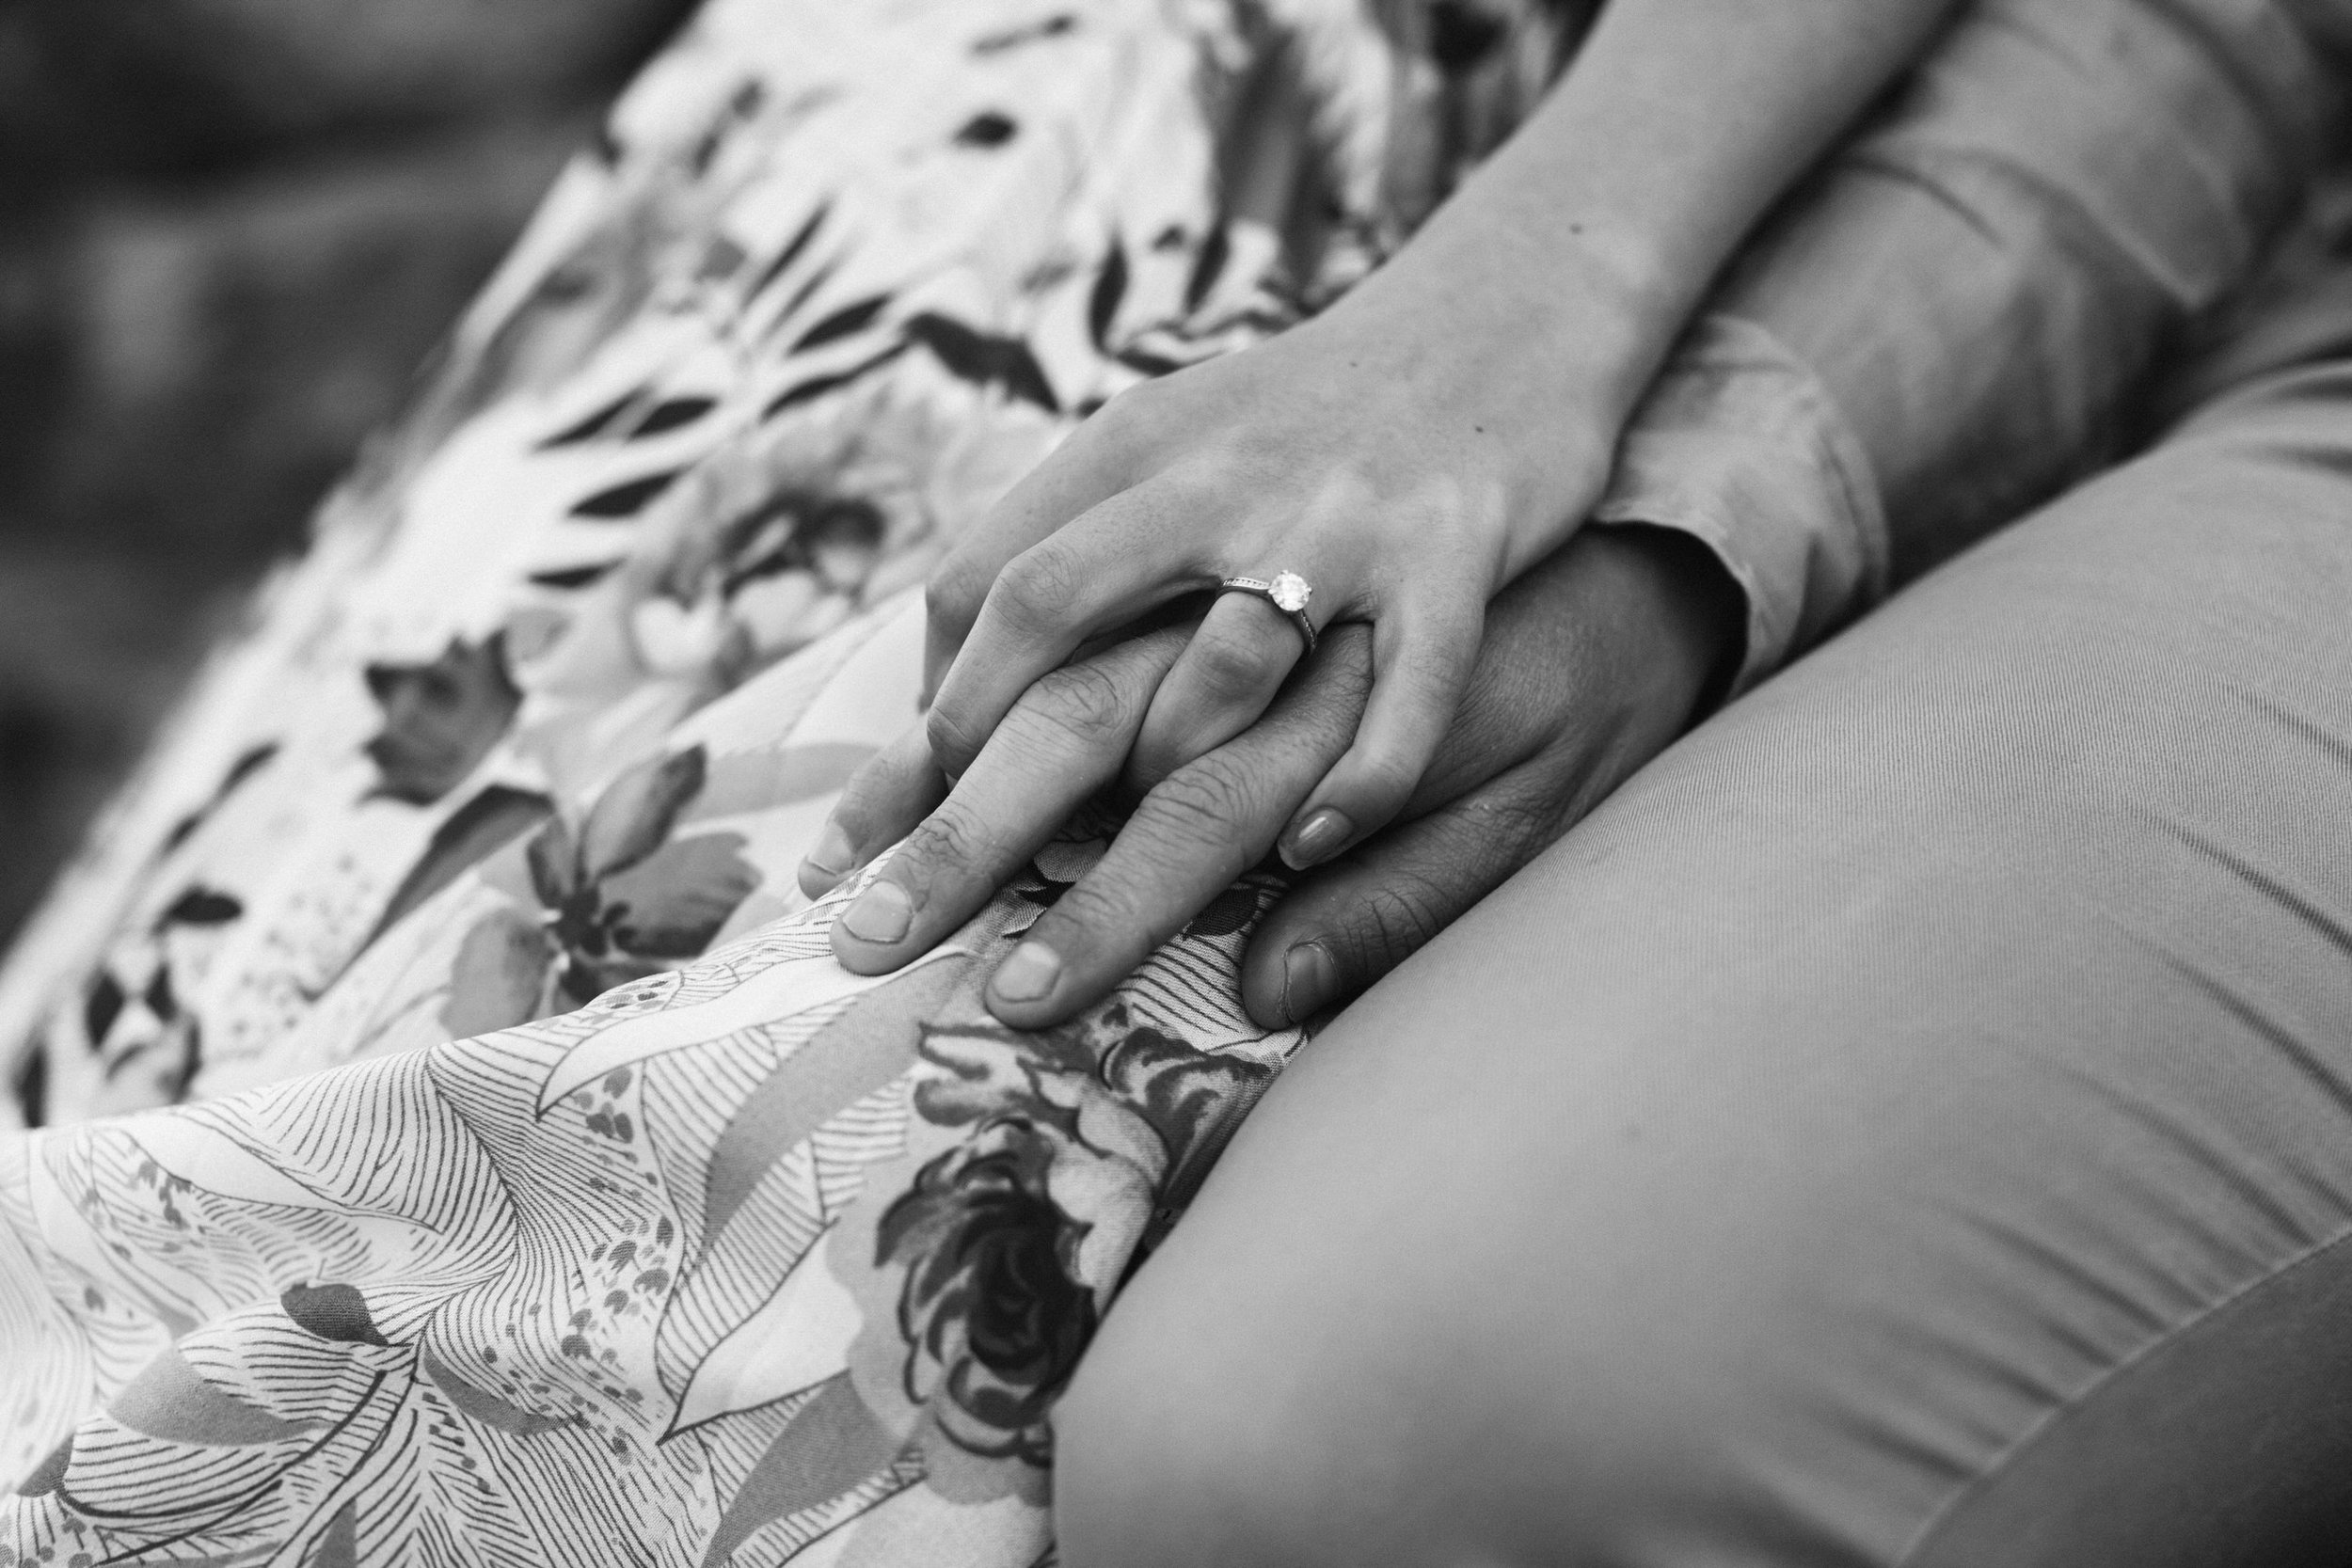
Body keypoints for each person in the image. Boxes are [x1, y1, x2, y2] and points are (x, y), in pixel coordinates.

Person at [6, 1, 2352, 1565]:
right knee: (296, 987)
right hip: (985, 106)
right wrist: (1625, 398)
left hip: (1454, 121)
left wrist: (1637, 421)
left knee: (911, 1034)